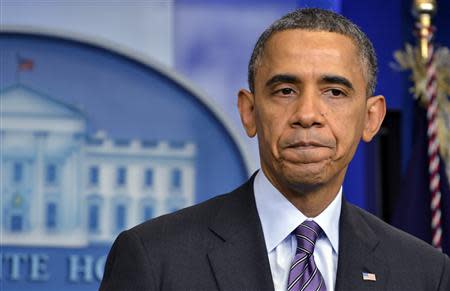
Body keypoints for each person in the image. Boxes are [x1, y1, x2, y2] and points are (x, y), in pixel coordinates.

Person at [99, 8, 450, 291]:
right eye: (285, 90)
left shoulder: (424, 273)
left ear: (371, 118)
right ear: (249, 112)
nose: (308, 115)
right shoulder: (154, 257)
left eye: (334, 92)